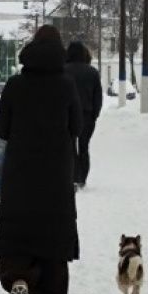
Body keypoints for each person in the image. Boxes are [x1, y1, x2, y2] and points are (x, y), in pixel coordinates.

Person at [0, 25, 83, 294]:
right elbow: (76, 127)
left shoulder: (16, 85)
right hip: (56, 173)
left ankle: (19, 281)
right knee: (53, 233)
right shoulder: (67, 85)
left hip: (20, 172)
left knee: (19, 230)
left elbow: (1, 128)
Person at [64, 41, 103, 189]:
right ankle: (82, 177)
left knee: (71, 146)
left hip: (68, 115)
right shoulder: (92, 72)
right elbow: (98, 96)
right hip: (87, 115)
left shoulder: (63, 70)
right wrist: (95, 114)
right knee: (84, 146)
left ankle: (74, 175)